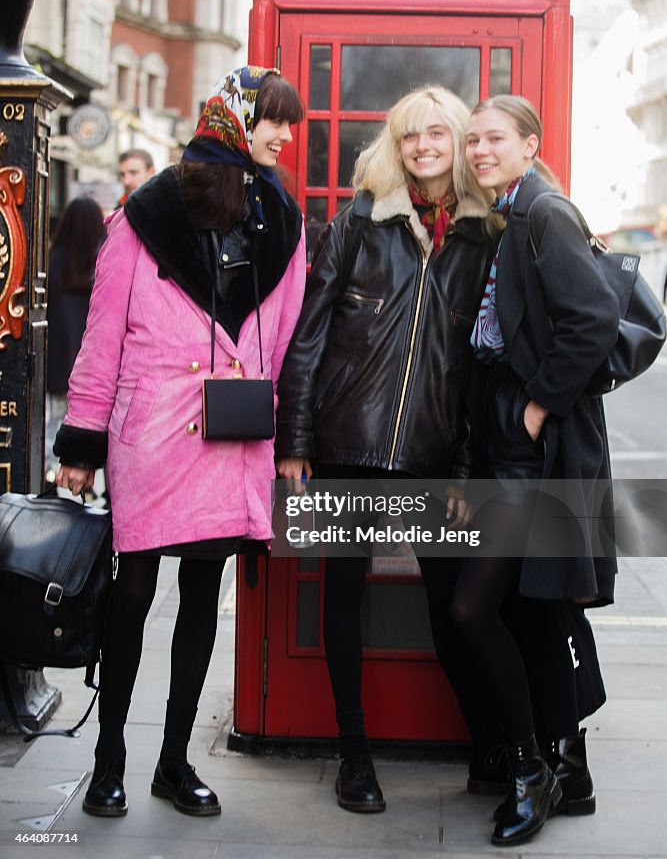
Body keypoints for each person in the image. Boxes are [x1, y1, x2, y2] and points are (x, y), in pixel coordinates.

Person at [54, 66, 306, 819]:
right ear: (234, 118)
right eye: (274, 121)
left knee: (203, 595)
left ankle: (172, 761)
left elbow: (286, 340)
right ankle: (109, 758)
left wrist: (284, 429)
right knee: (132, 595)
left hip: (230, 437)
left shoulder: (282, 219)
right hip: (154, 431)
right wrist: (80, 444)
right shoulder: (148, 212)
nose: (286, 136)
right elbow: (102, 338)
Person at [275, 85, 500, 813]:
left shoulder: (481, 237)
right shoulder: (358, 223)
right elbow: (308, 335)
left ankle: (495, 746)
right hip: (348, 442)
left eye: (437, 133)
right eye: (410, 136)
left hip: (434, 451)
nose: (423, 146)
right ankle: (353, 754)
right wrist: (295, 441)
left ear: (458, 141)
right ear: (394, 147)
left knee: (452, 604)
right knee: (342, 597)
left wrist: (466, 464)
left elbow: (477, 367)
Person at [442, 94, 621, 847]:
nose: (480, 151)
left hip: (531, 450)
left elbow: (592, 320)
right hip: (503, 444)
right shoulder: (510, 214)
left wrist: (539, 406)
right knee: (533, 610)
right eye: (472, 140)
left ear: (528, 144)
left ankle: (526, 769)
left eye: (494, 139)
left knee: (471, 610)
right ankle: (566, 764)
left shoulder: (543, 211)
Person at [45, 197, 105, 478]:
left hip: (55, 359)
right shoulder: (102, 262)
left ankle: (49, 479)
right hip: (91, 363)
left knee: (52, 422)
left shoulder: (51, 261)